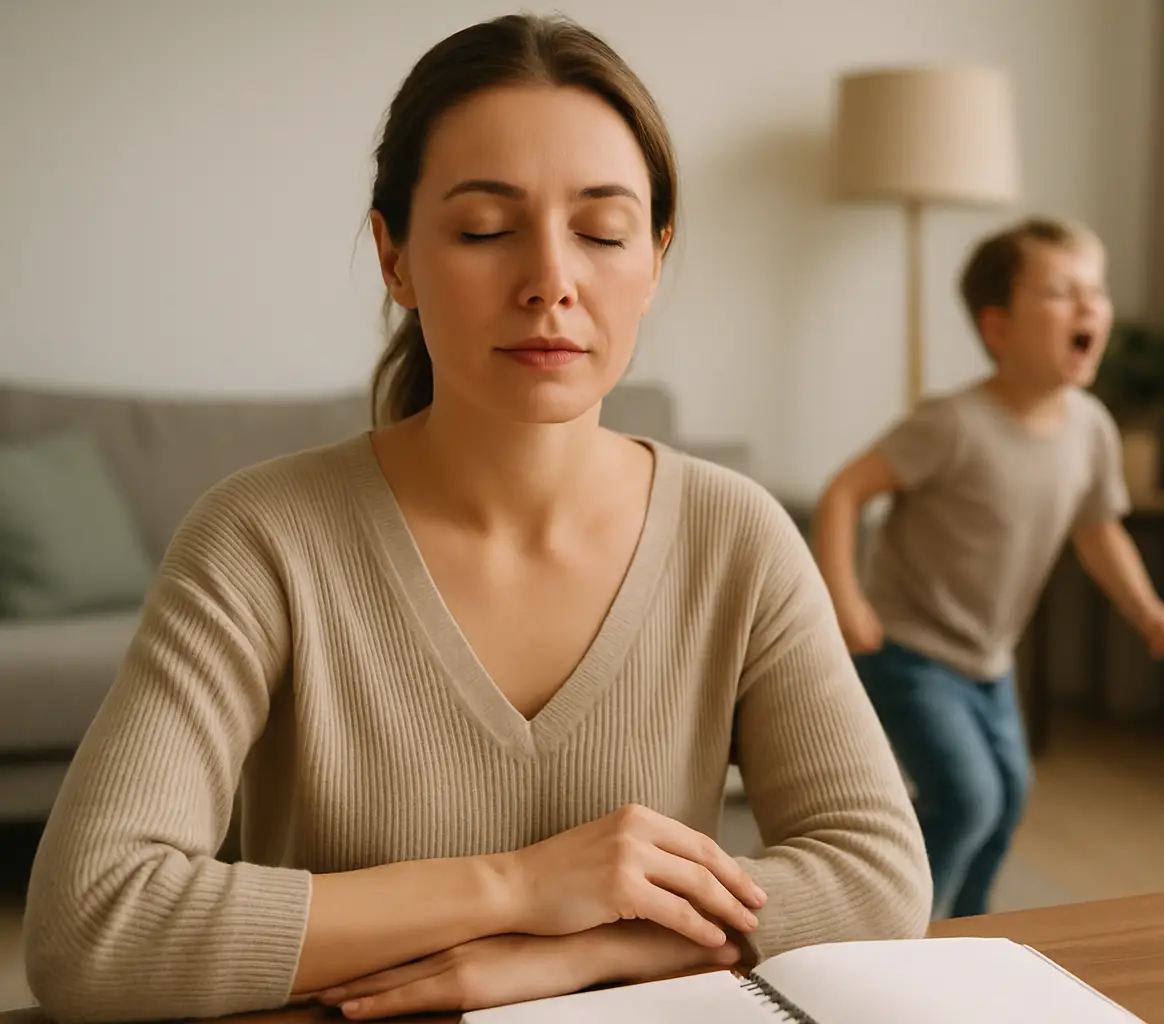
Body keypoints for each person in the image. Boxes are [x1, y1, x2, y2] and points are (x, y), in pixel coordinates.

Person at [22, 14, 930, 1023]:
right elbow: (92, 927)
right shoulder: (259, 538)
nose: (550, 280)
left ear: (656, 259)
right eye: (486, 230)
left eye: (602, 230)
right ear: (395, 257)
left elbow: (879, 875)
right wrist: (521, 888)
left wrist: (587, 953)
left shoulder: (738, 537)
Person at [813, 217, 1164, 920]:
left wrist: (1145, 607)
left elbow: (1098, 531)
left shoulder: (1091, 428)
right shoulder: (952, 423)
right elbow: (845, 491)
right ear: (999, 329)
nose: (1088, 308)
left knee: (1009, 795)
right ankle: (888, 922)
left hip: (989, 659)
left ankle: (969, 930)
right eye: (1060, 292)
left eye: (1095, 291)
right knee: (967, 800)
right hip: (907, 649)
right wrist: (844, 596)